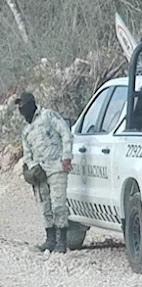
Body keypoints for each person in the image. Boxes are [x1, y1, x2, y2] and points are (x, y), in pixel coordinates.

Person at [15, 92, 73, 253]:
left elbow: (65, 133)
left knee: (58, 204)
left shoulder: (48, 116)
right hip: (39, 173)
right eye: (19, 106)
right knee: (45, 206)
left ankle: (62, 241)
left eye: (23, 105)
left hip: (56, 167)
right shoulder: (26, 130)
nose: (21, 109)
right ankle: (50, 239)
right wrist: (32, 168)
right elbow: (27, 154)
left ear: (31, 104)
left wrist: (67, 157)